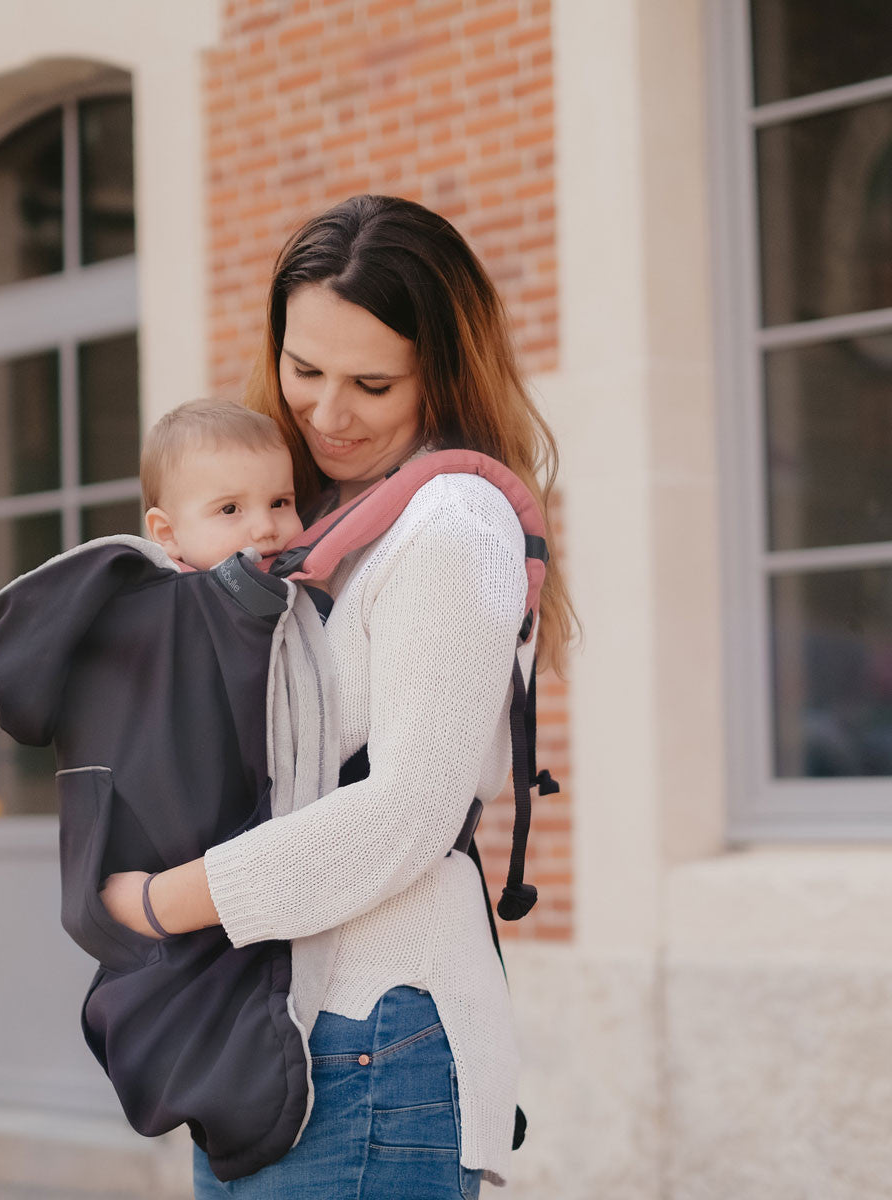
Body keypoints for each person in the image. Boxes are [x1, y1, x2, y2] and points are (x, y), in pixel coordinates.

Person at [98, 194, 578, 1197]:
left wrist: (160, 902)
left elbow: (407, 810)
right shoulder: (300, 515)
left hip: (371, 1037)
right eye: (303, 369)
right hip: (267, 1025)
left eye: (370, 383)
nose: (326, 412)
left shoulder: (450, 525)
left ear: (442, 370)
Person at [139, 398, 305, 572]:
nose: (266, 528)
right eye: (230, 509)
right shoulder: (167, 598)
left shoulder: (309, 576)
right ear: (168, 533)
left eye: (278, 503)